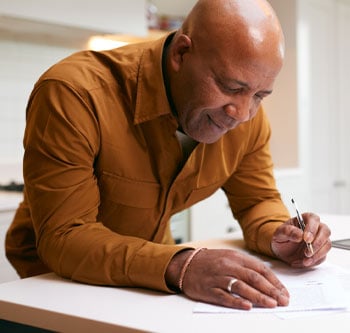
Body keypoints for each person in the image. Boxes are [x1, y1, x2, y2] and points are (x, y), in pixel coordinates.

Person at [6, 0, 331, 310]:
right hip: (53, 283)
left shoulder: (248, 119)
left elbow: (256, 201)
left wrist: (279, 235)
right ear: (181, 52)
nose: (242, 113)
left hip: (148, 282)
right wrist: (182, 264)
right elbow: (65, 236)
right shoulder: (75, 94)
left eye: (259, 95)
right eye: (231, 87)